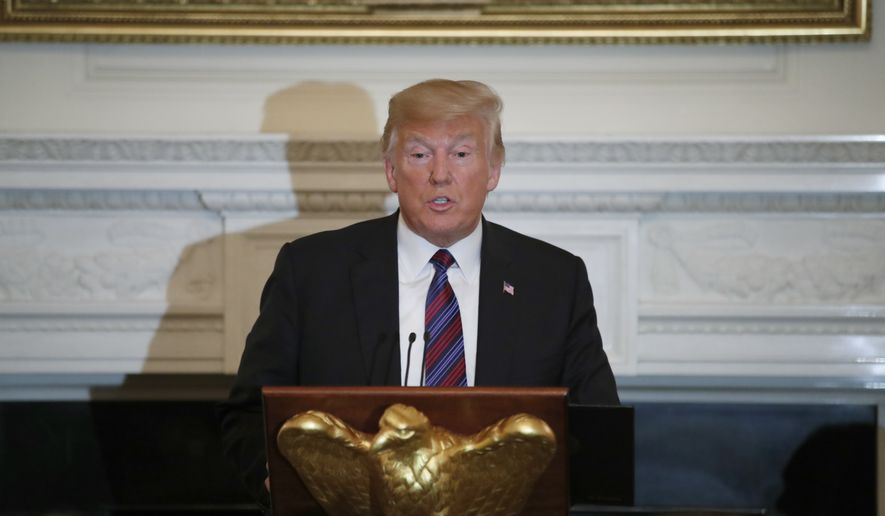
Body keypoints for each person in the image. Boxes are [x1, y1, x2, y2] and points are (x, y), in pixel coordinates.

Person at [218, 79, 619, 508]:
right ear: (392, 170)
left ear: (494, 169)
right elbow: (247, 417)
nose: (440, 174)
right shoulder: (312, 272)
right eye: (420, 154)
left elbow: (598, 431)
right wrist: (284, 482)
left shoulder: (554, 280)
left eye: (461, 154)